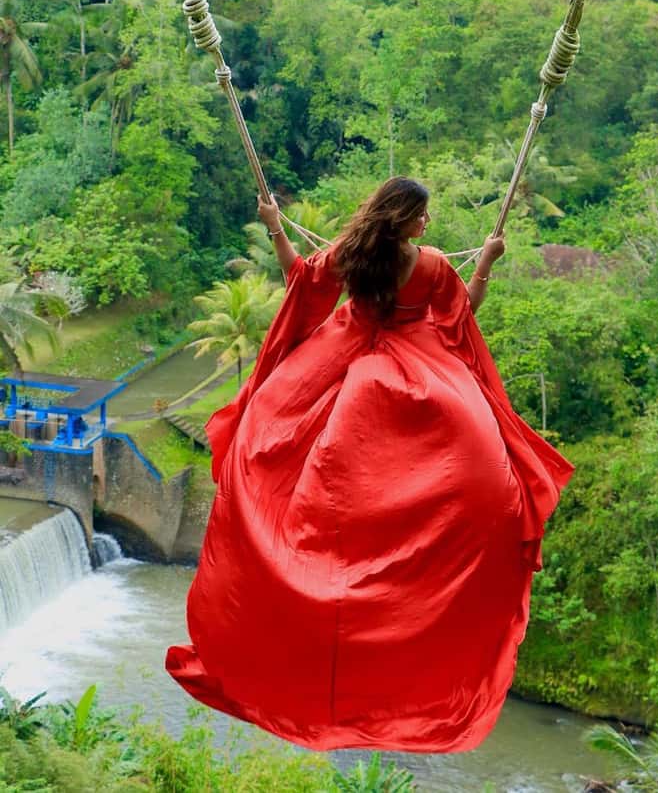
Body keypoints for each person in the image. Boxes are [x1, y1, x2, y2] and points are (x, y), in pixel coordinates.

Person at [166, 176, 574, 753]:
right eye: (423, 216)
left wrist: (275, 226)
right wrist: (485, 263)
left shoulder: (351, 251)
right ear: (405, 219)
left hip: (337, 355)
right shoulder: (429, 266)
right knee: (479, 465)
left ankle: (309, 589)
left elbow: (302, 282)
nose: (428, 225)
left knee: (271, 444)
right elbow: (461, 319)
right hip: (417, 367)